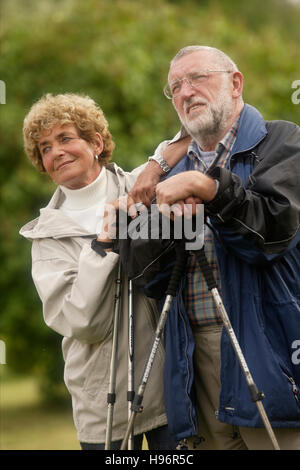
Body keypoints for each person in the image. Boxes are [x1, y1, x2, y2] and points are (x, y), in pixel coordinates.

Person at [127, 45, 300, 450]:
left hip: (270, 345)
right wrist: (156, 226)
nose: (185, 92)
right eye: (175, 87)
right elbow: (147, 276)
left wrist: (209, 189)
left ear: (235, 83)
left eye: (197, 78)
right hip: (194, 351)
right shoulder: (171, 170)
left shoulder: (283, 141)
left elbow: (271, 236)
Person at [19, 92, 178, 450]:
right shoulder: (45, 240)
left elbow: (185, 140)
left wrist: (154, 167)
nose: (55, 152)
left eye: (65, 138)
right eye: (44, 148)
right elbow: (82, 323)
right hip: (101, 401)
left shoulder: (140, 188)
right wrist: (103, 245)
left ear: (96, 141)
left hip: (169, 389)